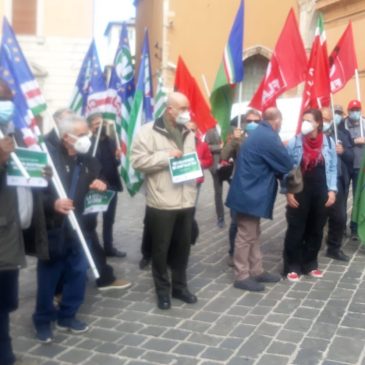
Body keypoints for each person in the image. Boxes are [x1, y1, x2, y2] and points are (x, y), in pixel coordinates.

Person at [32, 116, 107, 343]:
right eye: (83, 134)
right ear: (67, 138)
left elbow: (101, 179)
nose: (88, 138)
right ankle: (43, 320)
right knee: (49, 277)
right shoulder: (46, 160)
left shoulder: (89, 161)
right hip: (54, 228)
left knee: (78, 273)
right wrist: (52, 204)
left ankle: (68, 315)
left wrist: (101, 184)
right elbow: (33, 193)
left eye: (87, 133)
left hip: (80, 229)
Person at [131, 92, 198, 310]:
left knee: (182, 248)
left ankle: (180, 287)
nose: (186, 112)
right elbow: (138, 161)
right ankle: (162, 291)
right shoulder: (147, 131)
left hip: (186, 200)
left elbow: (191, 158)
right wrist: (166, 156)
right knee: (160, 250)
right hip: (162, 201)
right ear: (170, 109)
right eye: (183, 108)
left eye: (187, 108)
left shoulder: (188, 131)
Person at [226, 107, 293, 292]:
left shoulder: (261, 133)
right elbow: (286, 163)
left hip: (250, 190)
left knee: (253, 233)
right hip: (249, 192)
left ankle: (256, 270)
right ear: (277, 121)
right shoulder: (268, 136)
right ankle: (242, 275)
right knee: (246, 234)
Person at [283, 108, 337, 282]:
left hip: (321, 191)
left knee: (316, 228)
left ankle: (310, 263)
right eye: (303, 120)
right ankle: (292, 265)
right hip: (300, 190)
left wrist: (332, 190)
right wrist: (288, 191)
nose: (305, 123)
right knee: (296, 227)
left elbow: (333, 168)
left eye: (309, 120)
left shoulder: (328, 142)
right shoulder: (295, 142)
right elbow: (287, 169)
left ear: (318, 123)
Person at [0, 81, 26, 365]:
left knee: (5, 302)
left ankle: (4, 348)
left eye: (9, 99)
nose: (7, 104)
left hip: (9, 232)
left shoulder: (11, 132)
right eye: (2, 99)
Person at [222, 110, 261, 267]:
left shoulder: (262, 138)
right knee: (235, 222)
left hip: (257, 185)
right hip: (239, 185)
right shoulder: (237, 138)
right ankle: (233, 253)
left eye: (256, 121)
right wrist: (234, 141)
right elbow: (224, 155)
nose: (252, 124)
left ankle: (251, 253)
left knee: (253, 222)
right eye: (249, 120)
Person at [88, 113, 125, 257]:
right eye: (97, 124)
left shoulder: (111, 140)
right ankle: (93, 250)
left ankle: (108, 248)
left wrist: (117, 158)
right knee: (91, 220)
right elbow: (90, 165)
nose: (101, 126)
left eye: (102, 123)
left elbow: (115, 163)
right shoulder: (89, 143)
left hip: (112, 186)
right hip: (96, 187)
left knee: (109, 219)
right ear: (91, 127)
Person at [322, 107, 353, 261]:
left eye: (328, 119)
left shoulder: (342, 135)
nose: (326, 123)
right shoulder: (311, 137)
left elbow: (351, 156)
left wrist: (343, 151)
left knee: (339, 217)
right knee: (316, 217)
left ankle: (334, 247)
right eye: (323, 119)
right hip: (318, 181)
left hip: (338, 180)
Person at [343, 100, 365, 240]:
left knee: (358, 198)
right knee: (342, 198)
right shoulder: (342, 125)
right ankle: (341, 227)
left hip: (360, 168)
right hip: (345, 166)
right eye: (353, 109)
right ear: (348, 111)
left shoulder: (364, 123)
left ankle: (355, 228)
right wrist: (355, 140)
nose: (355, 112)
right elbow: (340, 140)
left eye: (357, 109)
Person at [205, 125, 225, 227]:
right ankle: (220, 217)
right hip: (216, 165)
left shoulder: (229, 127)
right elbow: (206, 147)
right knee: (218, 192)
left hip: (229, 164)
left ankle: (237, 214)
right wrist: (219, 147)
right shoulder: (210, 130)